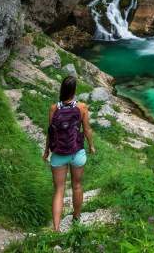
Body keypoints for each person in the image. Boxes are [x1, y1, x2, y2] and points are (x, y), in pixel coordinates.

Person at [43, 75, 95, 231]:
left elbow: (50, 132)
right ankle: (76, 218)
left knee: (59, 190)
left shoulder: (54, 108)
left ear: (62, 89)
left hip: (58, 154)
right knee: (77, 185)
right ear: (74, 91)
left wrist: (46, 151)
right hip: (76, 152)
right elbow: (87, 129)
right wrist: (91, 146)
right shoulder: (82, 107)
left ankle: (56, 228)